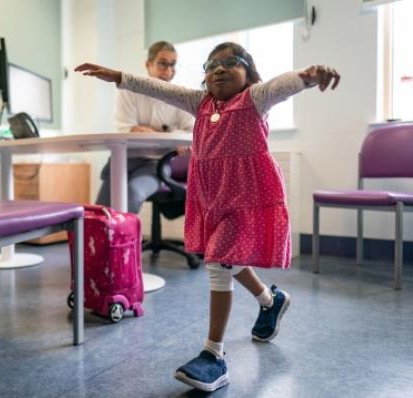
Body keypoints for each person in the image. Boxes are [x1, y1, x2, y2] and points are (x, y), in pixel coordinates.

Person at [75, 41, 340, 392]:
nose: (218, 68)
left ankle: (213, 355)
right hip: (212, 198)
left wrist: (308, 76)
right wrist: (119, 77)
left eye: (231, 62)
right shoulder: (199, 103)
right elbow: (158, 87)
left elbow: (282, 85)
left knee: (217, 263)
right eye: (211, 64)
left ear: (249, 72)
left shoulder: (254, 99)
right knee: (226, 258)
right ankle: (269, 300)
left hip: (248, 197)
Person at [95, 41, 194, 214]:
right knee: (101, 209)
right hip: (123, 160)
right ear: (148, 64)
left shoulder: (181, 96)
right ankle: (100, 242)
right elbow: (125, 128)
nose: (168, 70)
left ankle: (125, 241)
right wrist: (167, 136)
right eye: (162, 63)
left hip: (157, 163)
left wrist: (151, 132)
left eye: (172, 65)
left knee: (132, 194)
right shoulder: (128, 91)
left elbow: (190, 132)